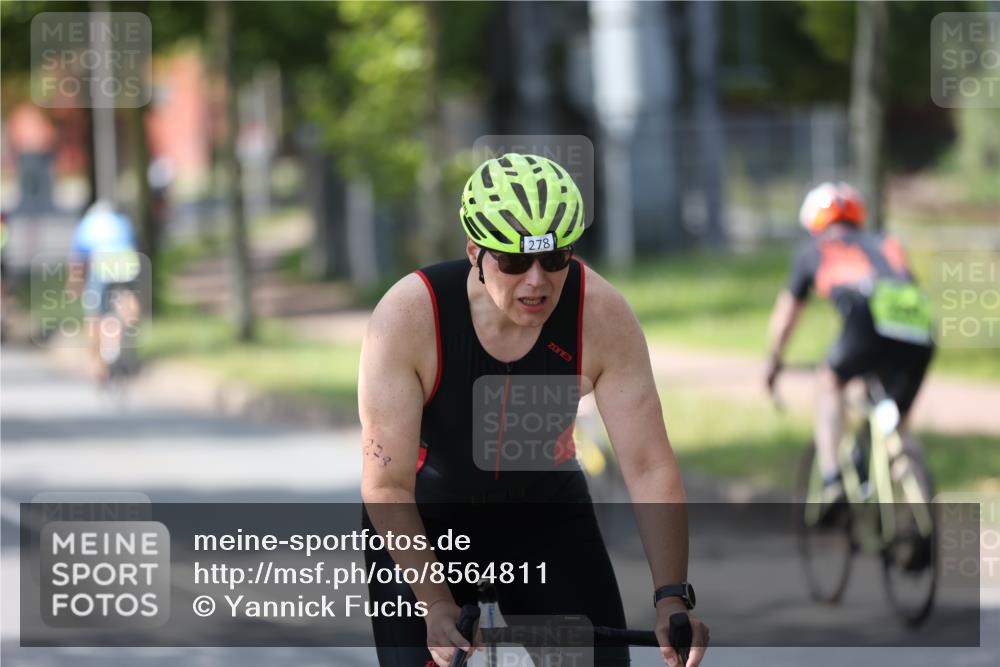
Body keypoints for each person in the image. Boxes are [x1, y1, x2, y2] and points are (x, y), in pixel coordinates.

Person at [359, 153, 708, 667]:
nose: (537, 282)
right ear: (475, 251)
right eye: (515, 262)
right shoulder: (409, 316)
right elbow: (385, 484)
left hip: (543, 513)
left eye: (555, 259)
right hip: (430, 519)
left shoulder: (600, 315)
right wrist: (434, 602)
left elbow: (648, 465)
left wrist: (671, 596)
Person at [765, 181, 934, 505]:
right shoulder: (884, 242)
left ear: (814, 222)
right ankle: (920, 515)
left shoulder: (814, 250)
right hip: (919, 321)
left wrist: (773, 359)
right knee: (898, 427)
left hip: (866, 316)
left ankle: (832, 480)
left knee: (829, 381)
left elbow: (788, 312)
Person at [67, 200, 142, 382]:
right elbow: (133, 245)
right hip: (126, 261)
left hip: (102, 264)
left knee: (94, 313)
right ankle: (129, 323)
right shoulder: (122, 221)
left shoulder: (87, 224)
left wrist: (74, 286)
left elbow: (78, 262)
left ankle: (96, 363)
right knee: (126, 296)